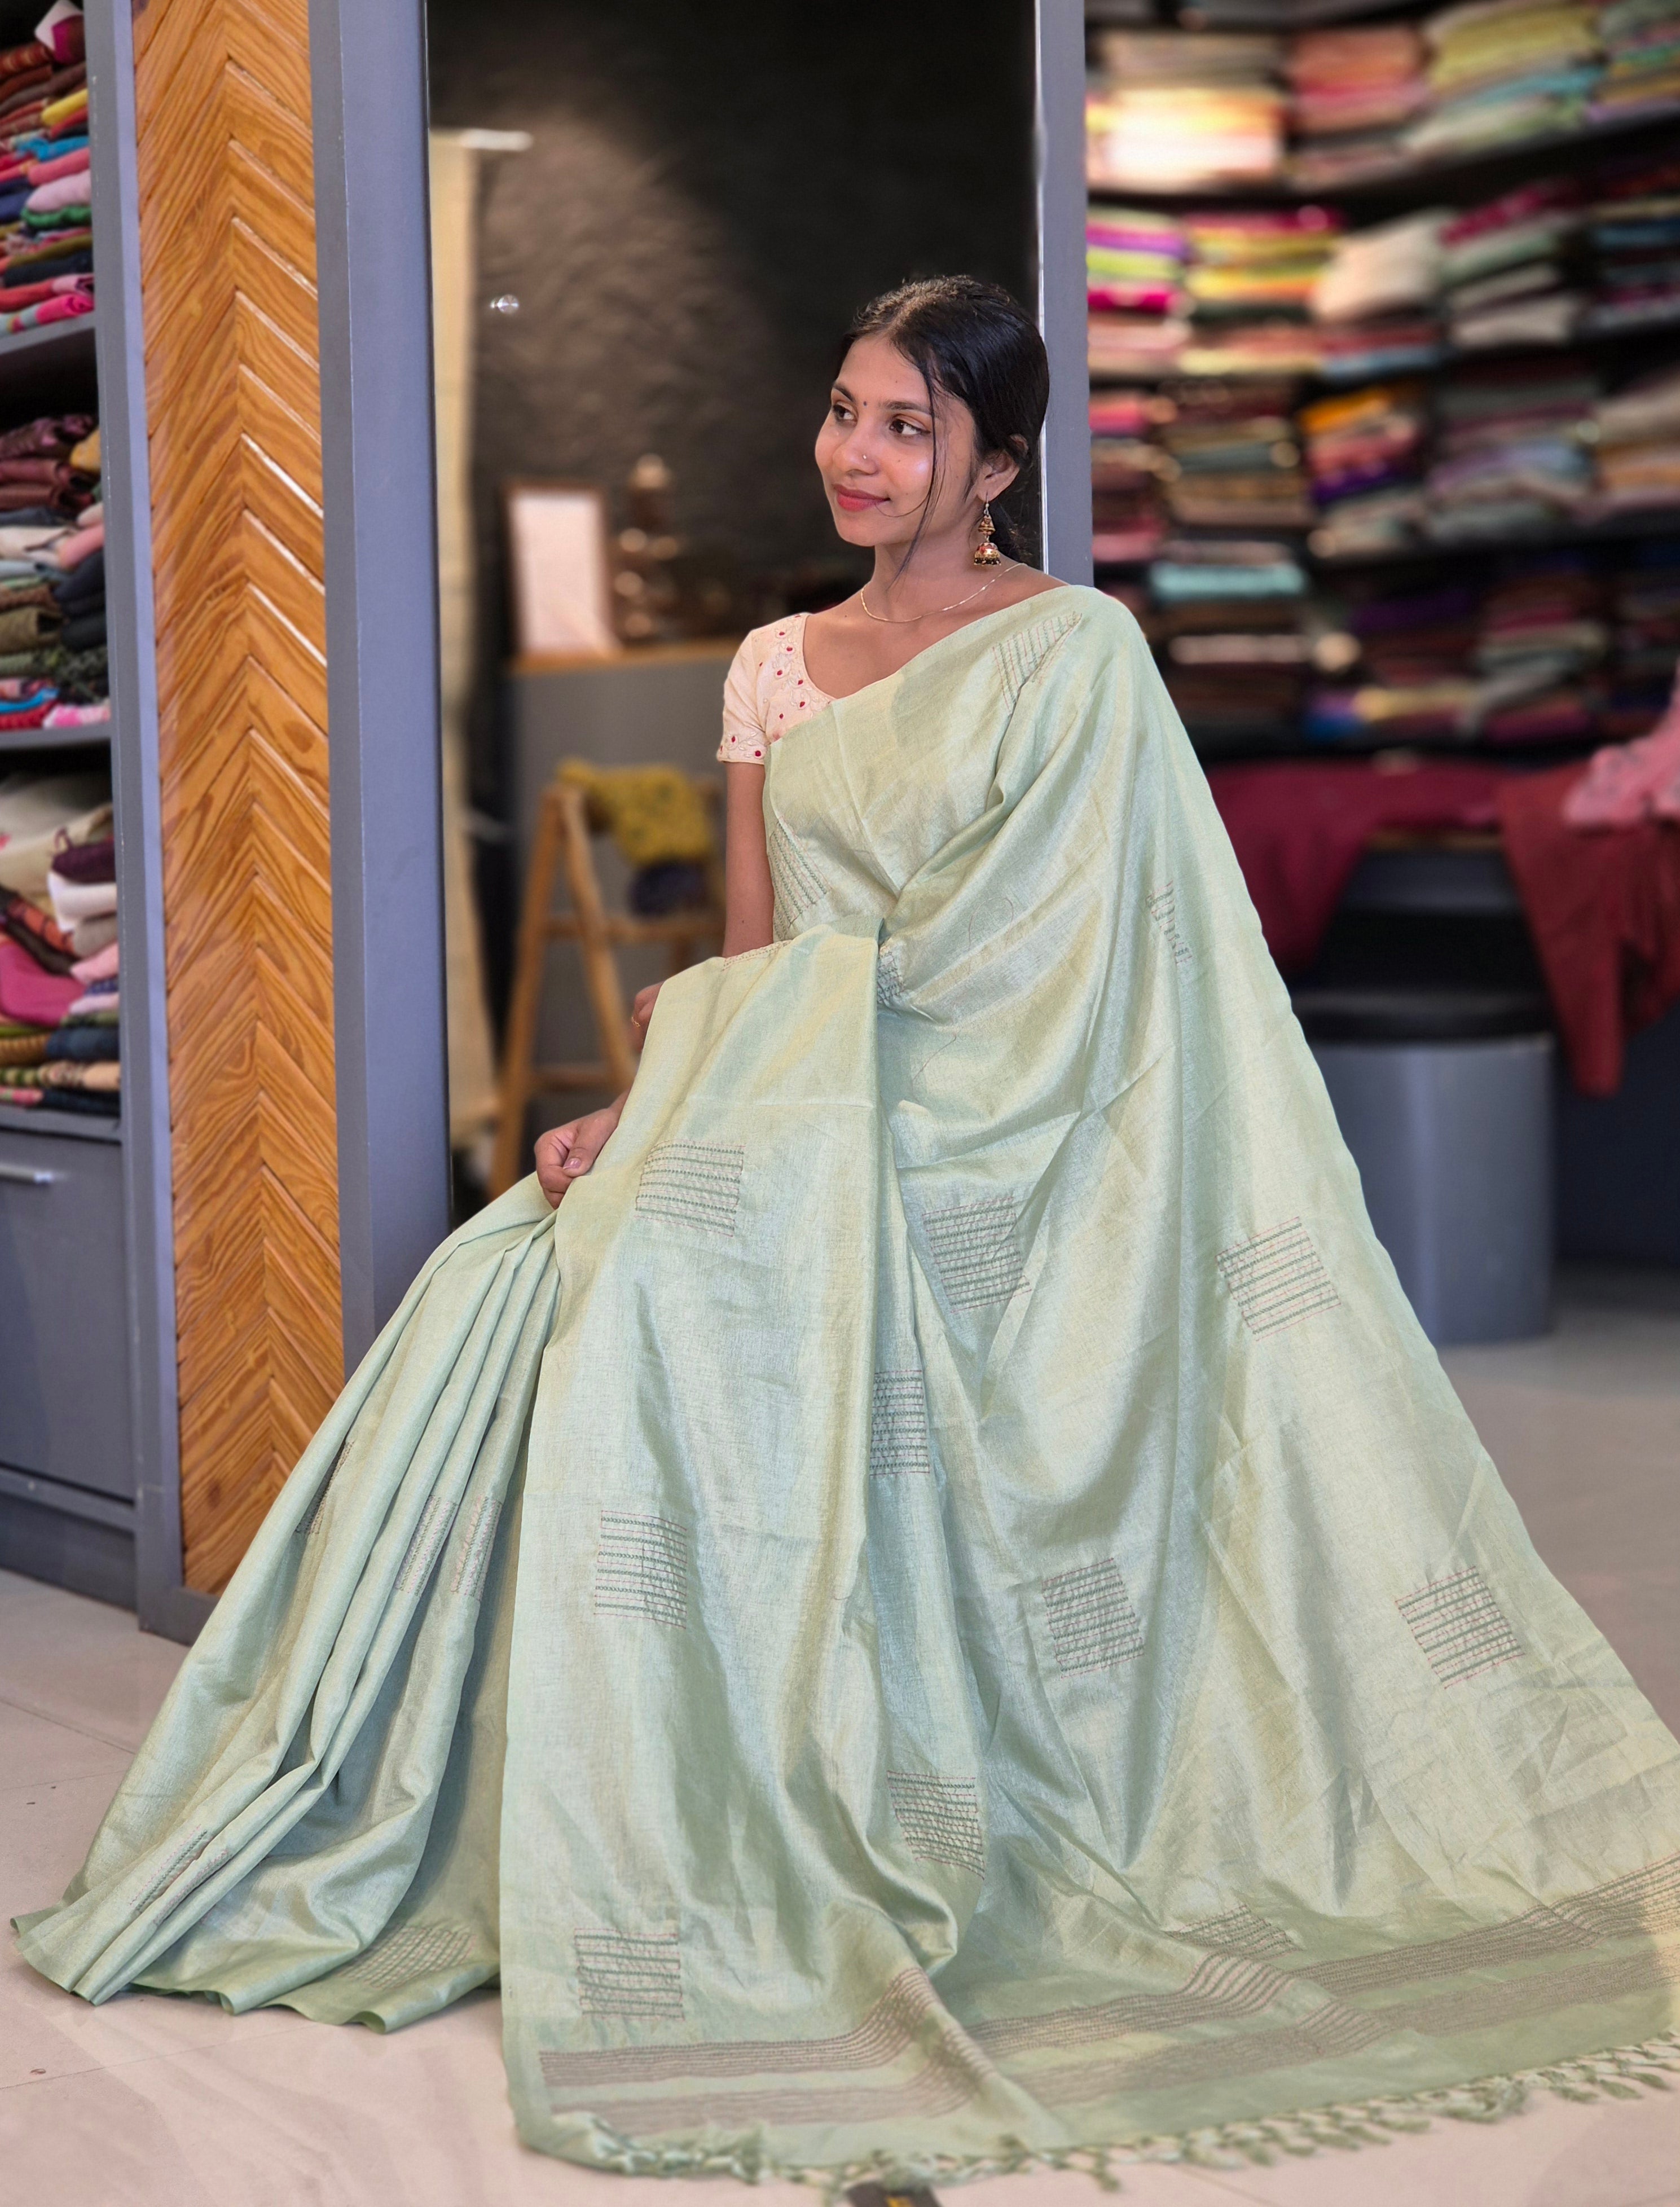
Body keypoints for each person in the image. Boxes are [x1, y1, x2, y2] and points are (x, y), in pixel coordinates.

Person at [17, 278, 1680, 2192]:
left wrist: (840, 1057)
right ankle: (519, 1807)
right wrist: (645, 1106)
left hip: (1009, 1136)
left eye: (906, 425)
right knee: (531, 1276)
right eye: (841, 411)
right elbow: (755, 949)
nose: (857, 454)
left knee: (689, 1296)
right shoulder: (770, 666)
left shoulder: (1075, 652)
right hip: (799, 1096)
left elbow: (1085, 966)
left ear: (995, 461)